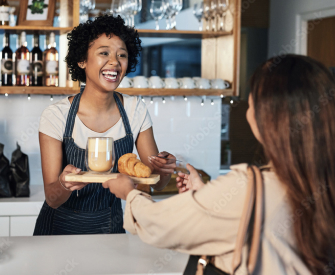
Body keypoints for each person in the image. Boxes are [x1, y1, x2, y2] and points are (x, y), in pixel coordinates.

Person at [102, 54, 335, 274]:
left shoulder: (249, 186)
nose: (248, 110)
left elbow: (161, 225)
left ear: (270, 117)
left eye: (253, 102)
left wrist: (129, 194)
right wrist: (206, 196)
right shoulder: (320, 179)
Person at [33, 15, 176, 235]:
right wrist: (64, 184)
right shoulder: (56, 116)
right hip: (58, 232)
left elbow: (154, 182)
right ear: (82, 60)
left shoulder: (134, 110)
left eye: (122, 55)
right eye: (104, 53)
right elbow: (52, 198)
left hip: (111, 229)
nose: (115, 62)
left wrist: (165, 170)